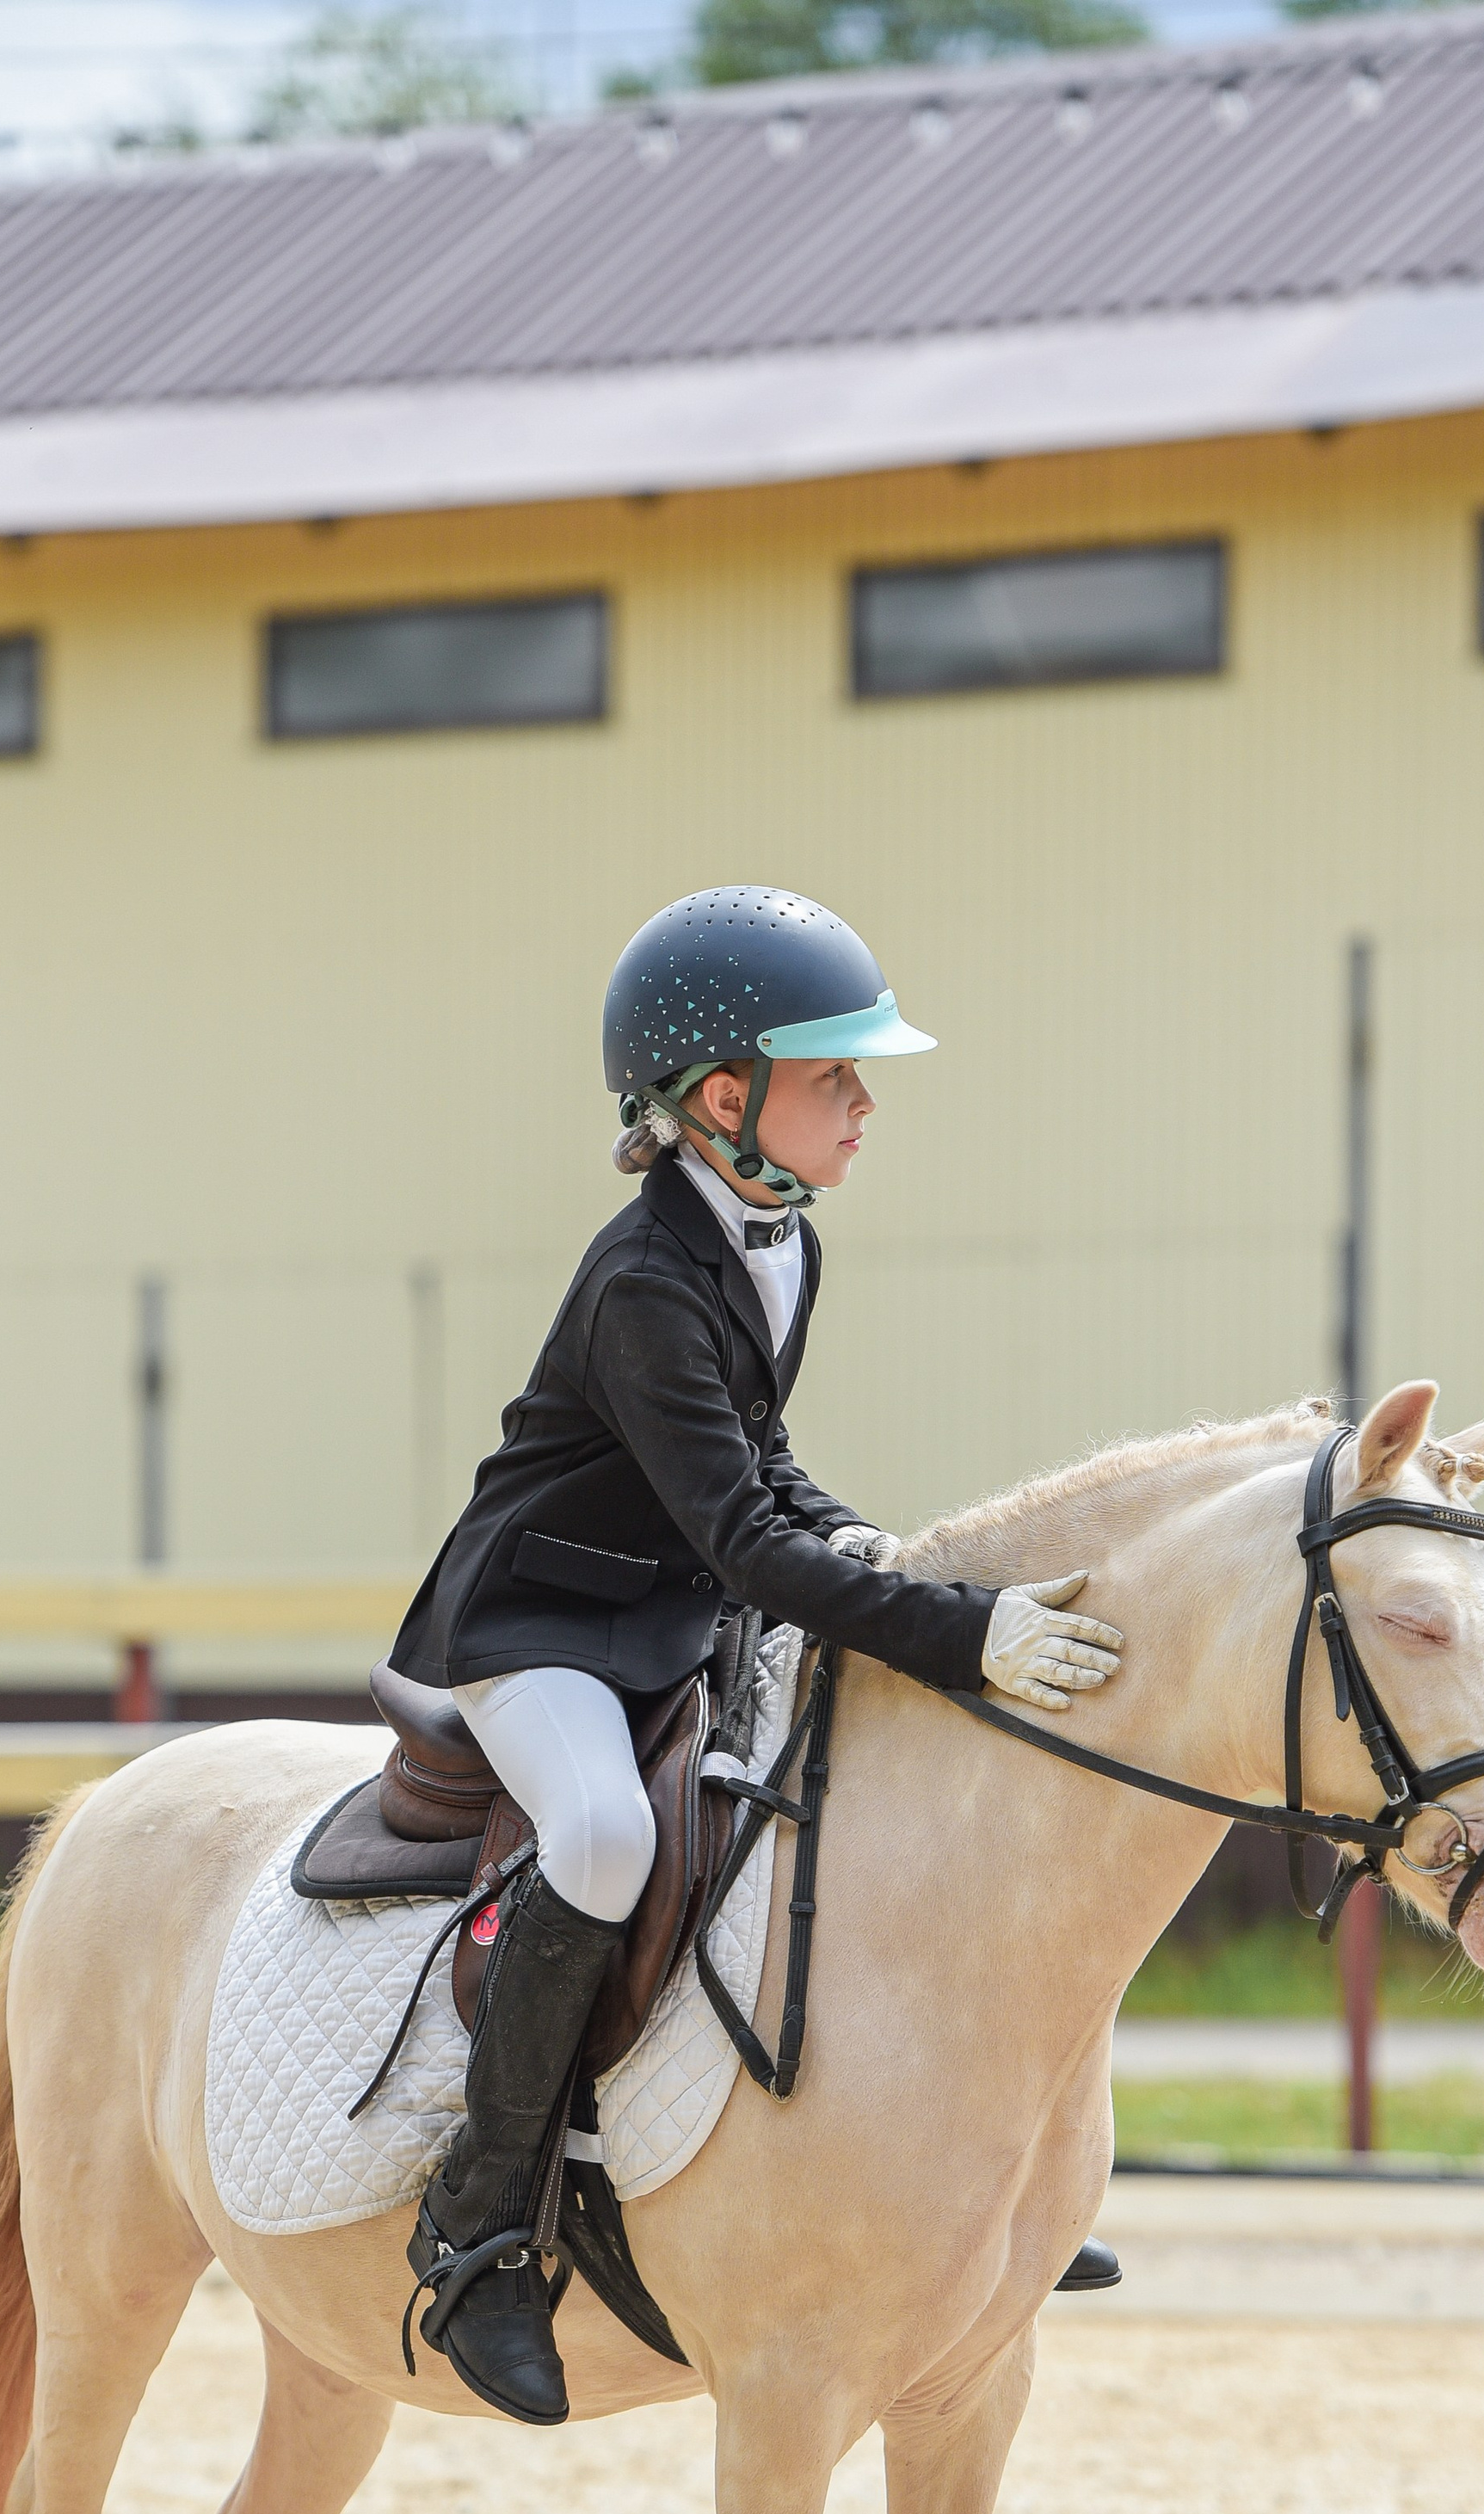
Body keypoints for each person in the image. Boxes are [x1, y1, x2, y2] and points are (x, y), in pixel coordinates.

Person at [385, 887, 1126, 2425]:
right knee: (604, 1838)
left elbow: (766, 1473)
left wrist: (882, 1552)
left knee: (862, 1783)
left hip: (678, 1608)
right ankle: (479, 2216)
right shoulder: (646, 1284)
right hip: (542, 1627)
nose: (864, 1102)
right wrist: (963, 1634)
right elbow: (742, 1538)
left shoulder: (781, 1241)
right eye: (833, 1074)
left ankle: (967, 2185)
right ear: (726, 1100)